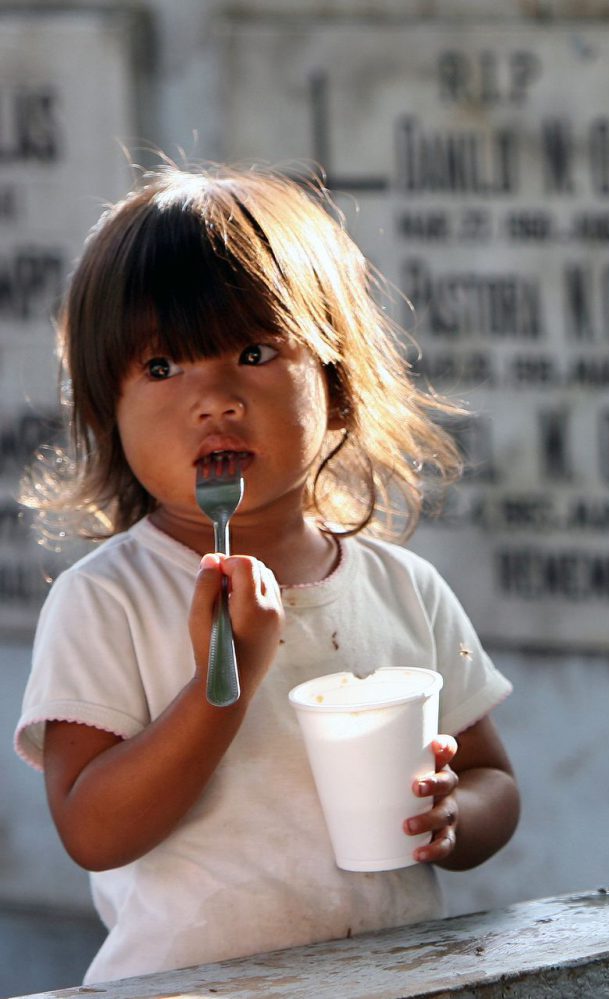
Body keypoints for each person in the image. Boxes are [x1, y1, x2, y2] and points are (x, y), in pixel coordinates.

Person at [11, 163, 520, 984]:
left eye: (254, 352)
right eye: (162, 368)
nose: (214, 398)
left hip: (391, 977)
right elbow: (92, 830)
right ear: (109, 415)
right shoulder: (107, 600)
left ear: (338, 386)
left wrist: (454, 811)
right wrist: (226, 682)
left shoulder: (402, 588)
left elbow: (492, 776)